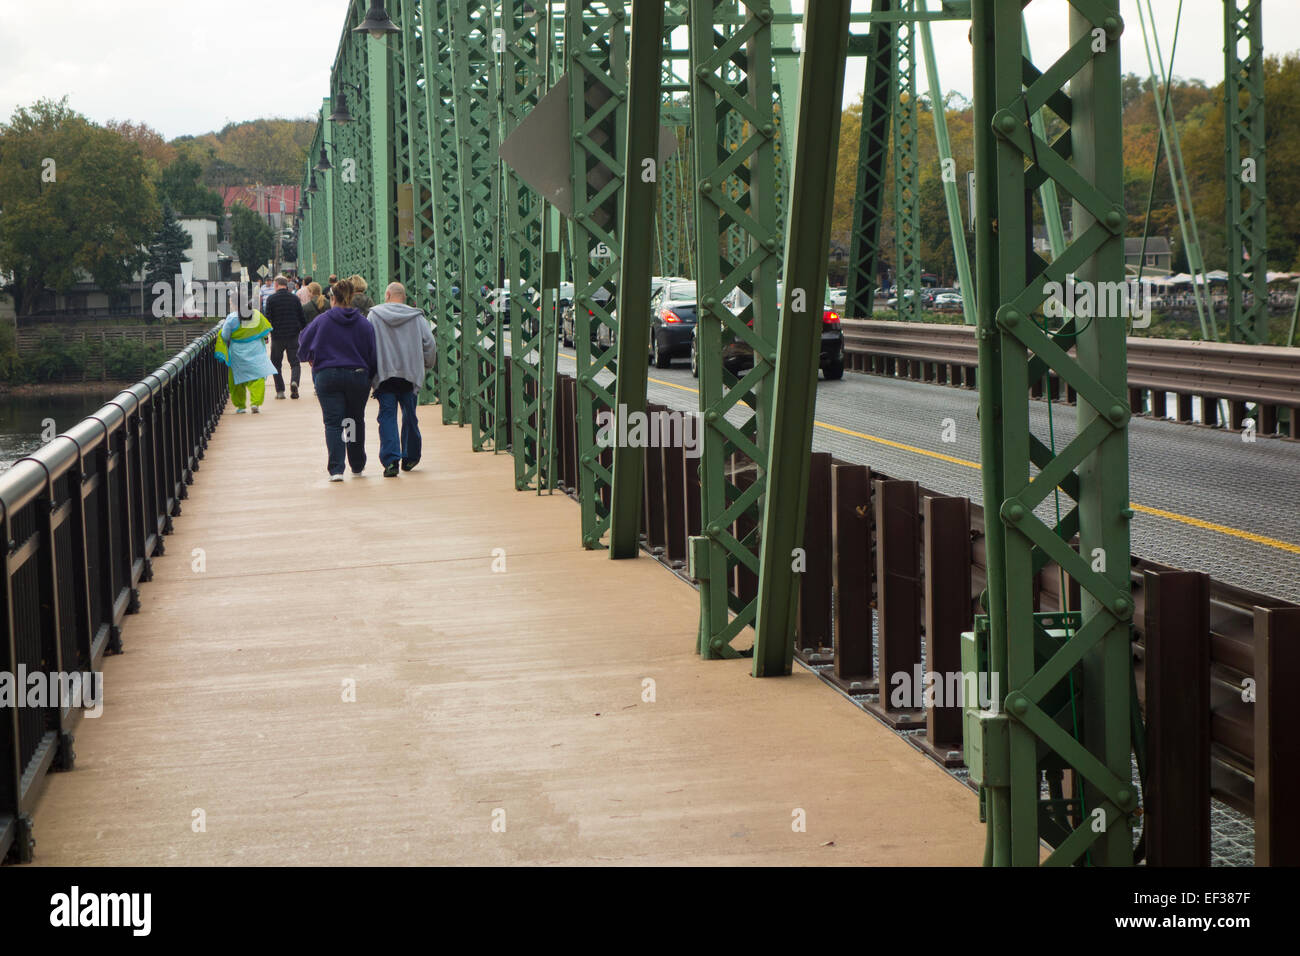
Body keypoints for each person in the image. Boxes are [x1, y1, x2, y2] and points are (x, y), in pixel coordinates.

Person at [297, 279, 377, 481]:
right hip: (357, 376)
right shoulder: (363, 323)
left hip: (328, 375)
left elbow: (303, 344)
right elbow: (372, 353)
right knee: (353, 420)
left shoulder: (322, 320)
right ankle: (357, 464)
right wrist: (370, 377)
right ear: (351, 297)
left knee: (333, 423)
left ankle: (336, 469)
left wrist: (309, 357)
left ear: (332, 298)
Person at [367, 282, 437, 478]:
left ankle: (391, 461)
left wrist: (370, 372)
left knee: (387, 416)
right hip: (410, 374)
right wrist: (427, 365)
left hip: (385, 374)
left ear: (387, 294)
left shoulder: (374, 315)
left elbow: (368, 344)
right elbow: (430, 343)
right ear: (403, 296)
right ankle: (411, 456)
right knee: (410, 415)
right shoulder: (416, 317)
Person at [215, 306, 276, 414]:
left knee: (237, 379)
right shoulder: (257, 315)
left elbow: (225, 336)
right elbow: (266, 331)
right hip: (256, 349)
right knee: (258, 376)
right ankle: (255, 403)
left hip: (238, 352)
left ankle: (240, 406)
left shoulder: (232, 318)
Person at [263, 275, 308, 400]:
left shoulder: (271, 299)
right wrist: (301, 329)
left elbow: (268, 320)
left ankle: (280, 390)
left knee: (276, 363)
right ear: (286, 285)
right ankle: (294, 382)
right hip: (293, 335)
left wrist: (266, 335)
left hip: (277, 336)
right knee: (295, 362)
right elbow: (302, 317)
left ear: (276, 285)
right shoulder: (294, 299)